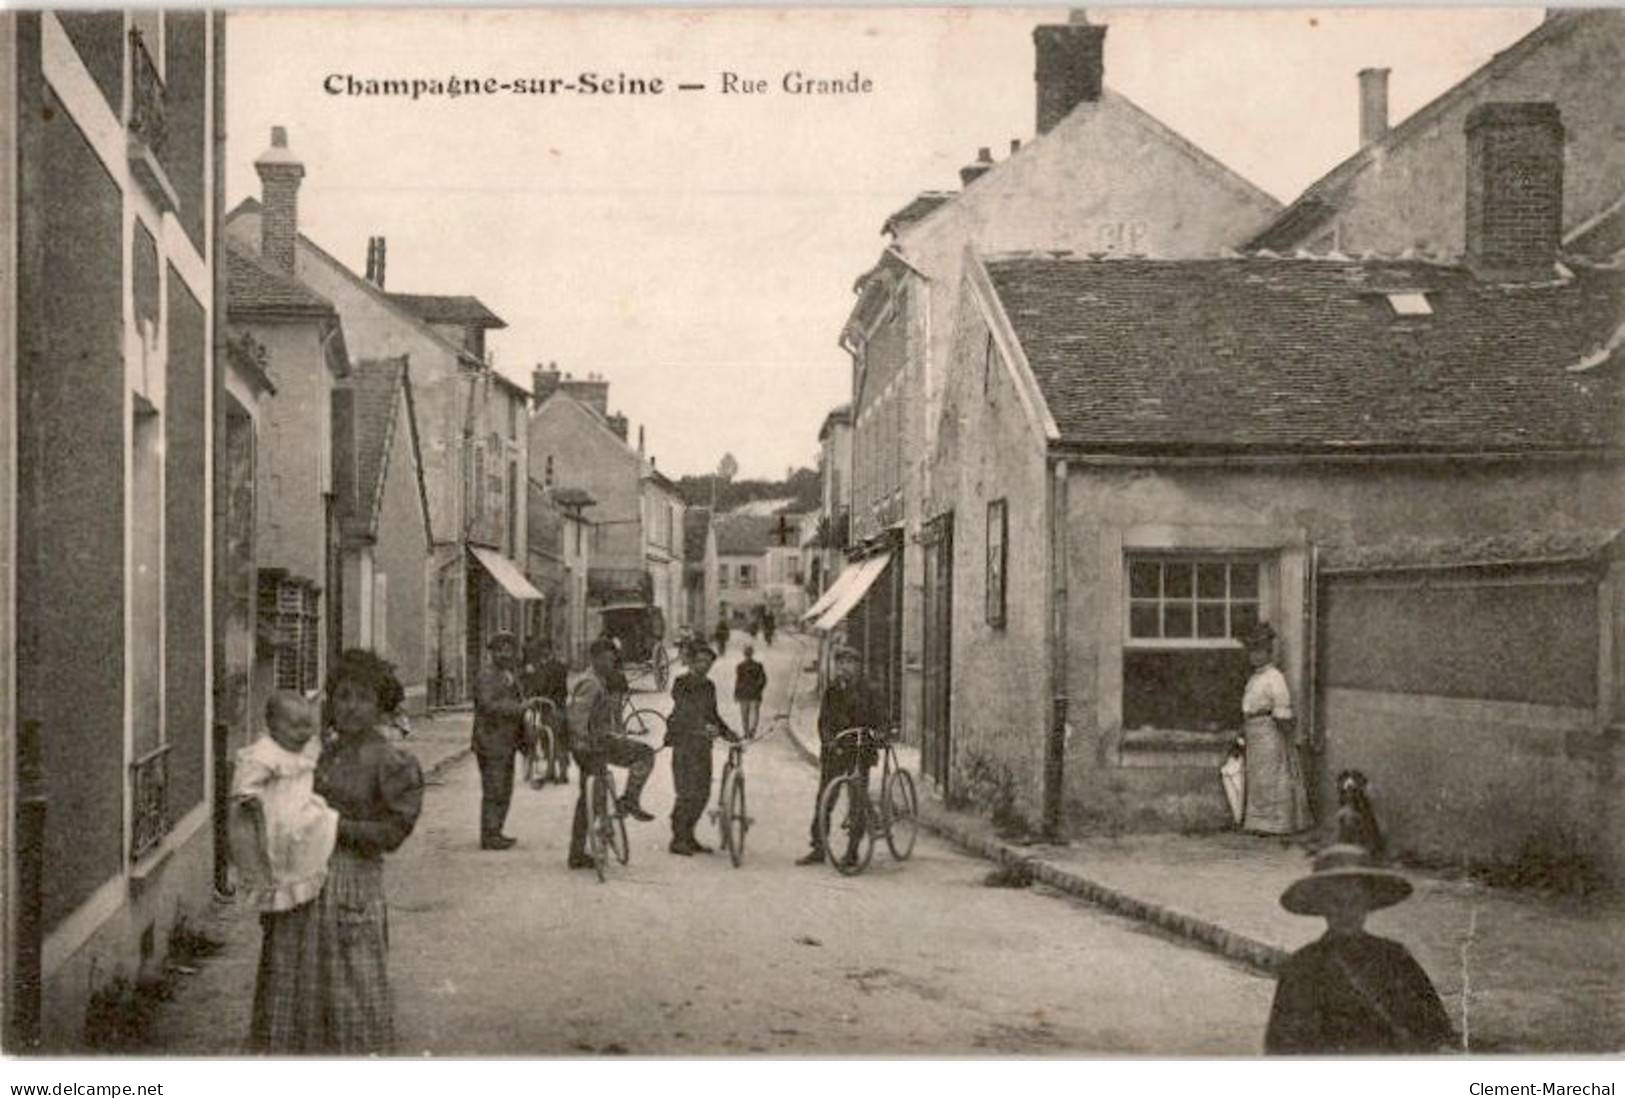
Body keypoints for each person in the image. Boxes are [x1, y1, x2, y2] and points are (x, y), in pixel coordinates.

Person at [246, 650, 423, 1053]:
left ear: (379, 705)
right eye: (343, 696)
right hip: (303, 882)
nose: (351, 707)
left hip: (352, 884)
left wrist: (334, 827)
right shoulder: (317, 753)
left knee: (353, 995)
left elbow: (395, 831)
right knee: (293, 991)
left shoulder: (391, 760)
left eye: (362, 698)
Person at [1265, 843, 1455, 1054]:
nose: (1347, 912)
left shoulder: (1394, 957)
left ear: (1367, 904)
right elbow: (1282, 1049)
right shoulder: (1302, 967)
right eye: (1336, 902)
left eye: (1355, 901)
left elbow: (1435, 1030)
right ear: (1322, 906)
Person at [230, 693, 338, 915]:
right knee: (276, 858)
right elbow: (246, 785)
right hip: (272, 817)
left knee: (316, 835)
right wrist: (251, 799)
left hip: (299, 810)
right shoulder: (264, 753)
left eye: (308, 726)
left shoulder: (303, 749)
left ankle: (301, 886)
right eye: (295, 727)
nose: (304, 734)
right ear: (272, 727)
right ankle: (281, 894)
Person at [567, 637, 657, 869]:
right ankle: (629, 801)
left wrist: (617, 733)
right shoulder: (590, 682)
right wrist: (582, 741)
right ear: (595, 659)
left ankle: (628, 802)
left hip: (599, 743)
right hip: (591, 746)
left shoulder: (601, 680)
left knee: (592, 798)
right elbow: (577, 717)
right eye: (607, 659)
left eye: (612, 659)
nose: (610, 663)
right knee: (643, 755)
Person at [797, 644, 883, 868]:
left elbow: (880, 719)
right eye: (841, 663)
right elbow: (824, 720)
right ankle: (818, 847)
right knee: (825, 797)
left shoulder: (870, 690)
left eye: (850, 663)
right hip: (835, 750)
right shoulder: (832, 690)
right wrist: (828, 740)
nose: (844, 668)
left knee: (857, 800)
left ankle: (852, 851)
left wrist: (878, 734)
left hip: (860, 750)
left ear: (858, 667)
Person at [666, 644, 739, 855]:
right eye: (700, 661)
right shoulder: (681, 683)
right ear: (691, 662)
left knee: (703, 793)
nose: (704, 665)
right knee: (686, 792)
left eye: (708, 662)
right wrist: (702, 726)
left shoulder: (709, 686)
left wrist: (727, 733)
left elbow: (712, 714)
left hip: (702, 746)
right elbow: (684, 709)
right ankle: (678, 839)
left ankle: (689, 836)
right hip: (684, 744)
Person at [1240, 622, 1311, 836]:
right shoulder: (1255, 678)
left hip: (1270, 732)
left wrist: (1284, 732)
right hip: (1255, 733)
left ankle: (1276, 824)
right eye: (1252, 652)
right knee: (1258, 777)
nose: (1255, 656)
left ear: (1268, 653)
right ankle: (1258, 823)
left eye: (1259, 652)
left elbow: (1281, 707)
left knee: (1273, 776)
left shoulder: (1275, 678)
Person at [472, 631, 526, 850]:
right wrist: (517, 709)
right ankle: (490, 834)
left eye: (509, 649)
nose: (506, 653)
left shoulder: (508, 674)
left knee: (504, 788)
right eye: (501, 649)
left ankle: (497, 830)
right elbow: (487, 705)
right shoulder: (487, 676)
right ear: (492, 652)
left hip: (507, 740)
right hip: (490, 741)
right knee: (494, 788)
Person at [522, 638, 572, 783]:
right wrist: (531, 697)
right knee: (545, 737)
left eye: (546, 650)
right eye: (541, 650)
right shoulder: (539, 668)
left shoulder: (556, 667)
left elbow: (558, 688)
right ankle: (551, 769)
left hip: (556, 706)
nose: (544, 653)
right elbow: (533, 686)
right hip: (545, 707)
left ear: (550, 651)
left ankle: (562, 771)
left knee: (559, 738)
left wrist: (540, 695)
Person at [734, 643, 767, 737]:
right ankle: (751, 731)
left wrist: (736, 694)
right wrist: (759, 689)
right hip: (754, 694)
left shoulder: (740, 666)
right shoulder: (758, 666)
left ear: (744, 654)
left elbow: (738, 681)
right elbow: (763, 680)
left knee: (745, 714)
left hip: (744, 693)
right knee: (754, 713)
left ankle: (746, 732)